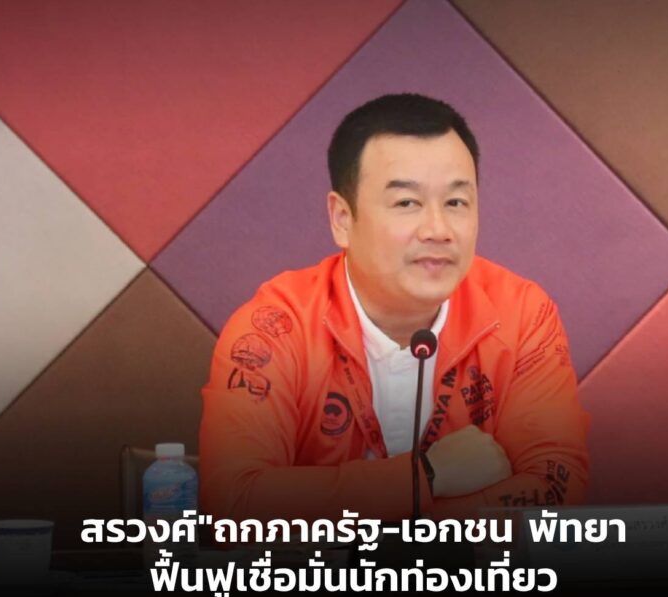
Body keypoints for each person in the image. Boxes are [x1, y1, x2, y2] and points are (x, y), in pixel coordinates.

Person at [198, 93, 590, 525]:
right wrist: (427, 475)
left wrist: (395, 528)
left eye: (456, 203)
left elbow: (556, 490)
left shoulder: (521, 315)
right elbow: (232, 507)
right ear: (342, 219)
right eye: (407, 203)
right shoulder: (275, 328)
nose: (438, 230)